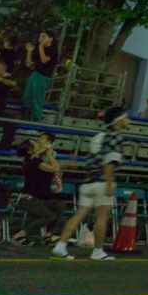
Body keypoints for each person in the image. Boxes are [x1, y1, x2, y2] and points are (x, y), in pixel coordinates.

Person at [52, 106, 131, 260]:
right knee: (102, 217)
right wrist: (109, 182)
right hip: (102, 182)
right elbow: (110, 161)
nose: (128, 120)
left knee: (79, 214)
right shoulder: (115, 137)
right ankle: (97, 251)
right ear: (118, 121)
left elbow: (90, 161)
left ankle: (61, 245)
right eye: (125, 118)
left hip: (88, 182)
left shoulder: (98, 137)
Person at [12, 132, 64, 244]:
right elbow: (55, 168)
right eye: (35, 143)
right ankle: (19, 235)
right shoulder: (32, 161)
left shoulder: (37, 158)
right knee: (49, 216)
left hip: (39, 197)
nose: (38, 142)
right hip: (27, 198)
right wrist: (49, 155)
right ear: (30, 150)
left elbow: (48, 146)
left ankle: (48, 235)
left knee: (59, 205)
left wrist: (46, 152)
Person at [22, 30, 56, 122]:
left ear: (51, 39)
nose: (41, 39)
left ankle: (36, 123)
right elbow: (29, 64)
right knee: (27, 99)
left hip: (42, 76)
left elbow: (44, 60)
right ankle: (25, 120)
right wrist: (29, 51)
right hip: (34, 74)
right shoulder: (39, 50)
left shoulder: (52, 50)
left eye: (44, 37)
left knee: (36, 100)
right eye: (40, 37)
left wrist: (41, 47)